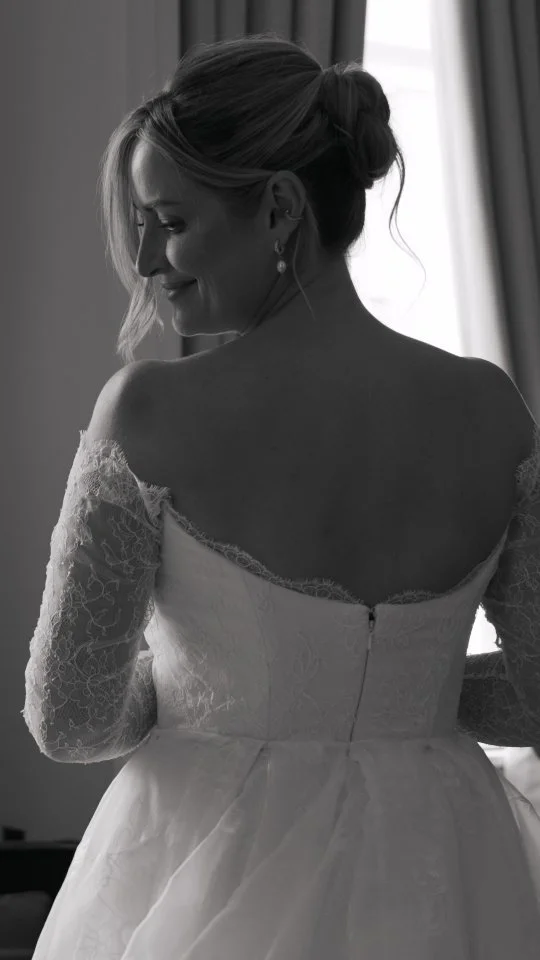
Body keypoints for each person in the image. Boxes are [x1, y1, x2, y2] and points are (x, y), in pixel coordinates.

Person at [22, 32, 540, 959]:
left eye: (169, 220)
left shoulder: (150, 410)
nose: (145, 258)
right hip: (443, 859)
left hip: (210, 854)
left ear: (279, 208)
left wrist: (214, 696)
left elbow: (71, 719)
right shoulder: (492, 408)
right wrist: (406, 694)